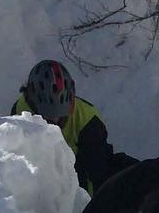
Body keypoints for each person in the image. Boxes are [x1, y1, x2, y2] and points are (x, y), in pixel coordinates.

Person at [11, 59, 133, 197]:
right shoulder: (20, 110)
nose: (55, 121)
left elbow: (96, 175)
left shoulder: (88, 121)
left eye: (60, 115)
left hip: (85, 165)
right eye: (48, 117)